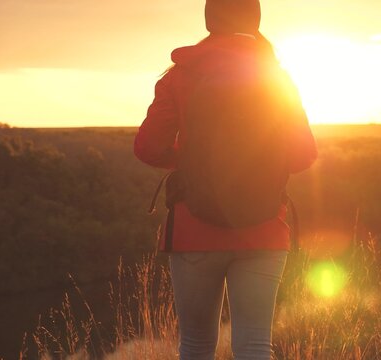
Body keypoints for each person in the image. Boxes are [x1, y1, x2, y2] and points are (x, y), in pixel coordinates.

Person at [133, 0, 317, 359]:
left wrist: (190, 159)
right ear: (255, 18)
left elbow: (148, 147)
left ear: (209, 19)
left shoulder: (181, 74)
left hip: (193, 229)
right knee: (254, 344)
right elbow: (303, 154)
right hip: (263, 228)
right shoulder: (277, 76)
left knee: (197, 344)